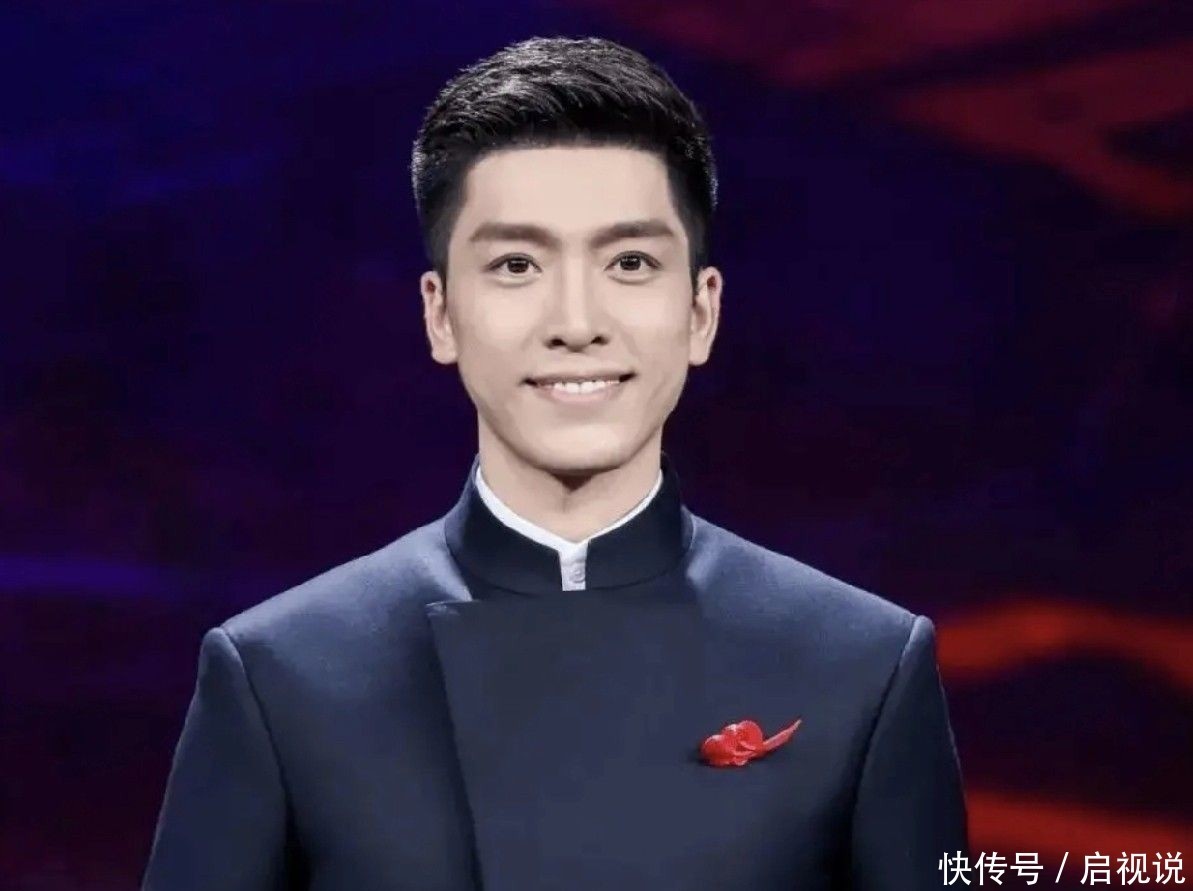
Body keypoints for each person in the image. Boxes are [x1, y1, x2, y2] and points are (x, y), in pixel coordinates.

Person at [141, 35, 969, 890]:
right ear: (440, 314)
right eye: (516, 264)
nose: (576, 321)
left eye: (630, 262)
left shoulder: (863, 665)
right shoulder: (281, 675)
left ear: (700, 312)